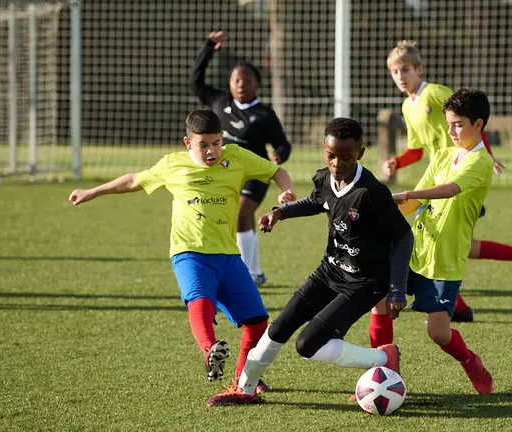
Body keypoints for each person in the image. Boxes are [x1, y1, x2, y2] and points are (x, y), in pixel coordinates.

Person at [68, 110, 296, 393]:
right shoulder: (172, 164)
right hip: (190, 253)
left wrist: (286, 192)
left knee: (258, 323)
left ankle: (245, 379)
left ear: (222, 138)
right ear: (188, 143)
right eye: (203, 145)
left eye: (216, 142)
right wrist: (92, 192)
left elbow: (276, 171)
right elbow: (133, 181)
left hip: (228, 255)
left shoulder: (236, 156)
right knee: (200, 301)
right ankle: (211, 351)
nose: (211, 151)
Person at [205, 117, 414, 406]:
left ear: (360, 153)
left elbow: (403, 237)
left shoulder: (371, 193)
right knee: (279, 327)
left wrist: (397, 289)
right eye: (331, 155)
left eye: (346, 157)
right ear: (324, 149)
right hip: (329, 271)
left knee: (307, 345)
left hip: (364, 282)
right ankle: (246, 388)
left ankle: (383, 357)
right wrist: (280, 212)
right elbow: (316, 201)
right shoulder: (325, 178)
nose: (337, 163)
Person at [380, 40, 512, 325]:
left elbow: (469, 115)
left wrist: (485, 153)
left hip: (459, 179)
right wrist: (397, 162)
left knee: (437, 241)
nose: (400, 76)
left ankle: (452, 306)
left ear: (419, 69)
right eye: (394, 71)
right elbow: (416, 150)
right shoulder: (407, 107)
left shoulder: (434, 93)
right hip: (438, 176)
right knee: (455, 244)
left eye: (405, 70)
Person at [392, 88, 499, 394]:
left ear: (478, 124)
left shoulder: (481, 162)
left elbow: (449, 189)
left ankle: (470, 361)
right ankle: (384, 371)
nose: (451, 131)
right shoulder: (442, 155)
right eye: (449, 124)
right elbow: (415, 202)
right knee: (380, 301)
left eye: (458, 125)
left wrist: (407, 194)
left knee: (437, 333)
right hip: (416, 248)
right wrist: (385, 211)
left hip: (446, 257)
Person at [189, 30, 292, 287]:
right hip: (224, 172)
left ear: (257, 84)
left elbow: (283, 143)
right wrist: (208, 48)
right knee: (235, 218)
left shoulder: (264, 114)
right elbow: (194, 82)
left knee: (242, 213)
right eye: (236, 80)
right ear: (229, 83)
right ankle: (254, 271)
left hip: (254, 173)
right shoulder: (219, 102)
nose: (241, 84)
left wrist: (280, 154)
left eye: (247, 80)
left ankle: (246, 274)